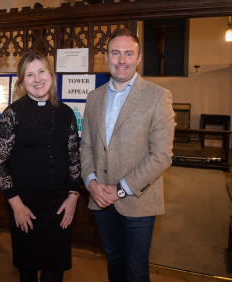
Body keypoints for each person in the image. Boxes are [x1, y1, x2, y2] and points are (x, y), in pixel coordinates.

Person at [80, 28, 175, 282]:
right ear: (107, 57)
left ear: (139, 58)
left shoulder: (158, 97)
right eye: (115, 53)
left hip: (138, 201)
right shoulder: (94, 98)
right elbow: (85, 146)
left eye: (128, 54)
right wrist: (91, 183)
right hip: (100, 200)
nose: (121, 60)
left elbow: (161, 155)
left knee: (135, 269)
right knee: (113, 261)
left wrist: (120, 189)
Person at [0, 52, 81, 282]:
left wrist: (73, 197)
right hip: (25, 205)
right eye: (29, 74)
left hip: (60, 206)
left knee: (55, 272)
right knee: (28, 272)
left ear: (51, 75)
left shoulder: (66, 113)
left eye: (41, 71)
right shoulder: (12, 115)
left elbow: (73, 158)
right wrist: (17, 206)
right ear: (22, 81)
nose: (37, 78)